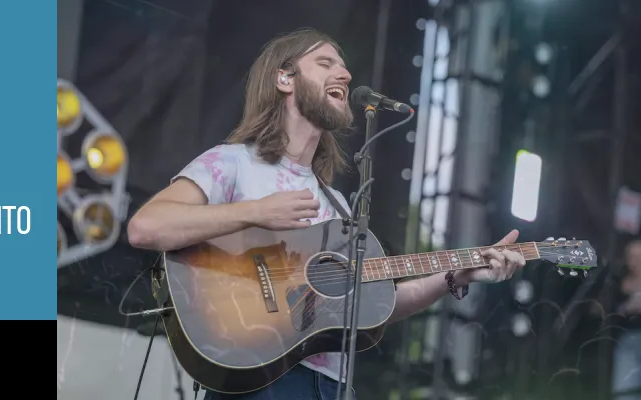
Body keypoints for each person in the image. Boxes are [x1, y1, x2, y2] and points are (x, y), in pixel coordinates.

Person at [127, 28, 527, 400]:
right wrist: (255, 212)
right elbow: (146, 228)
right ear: (285, 79)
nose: (346, 73)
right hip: (259, 376)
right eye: (326, 63)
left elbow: (377, 303)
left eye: (343, 65)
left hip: (330, 387)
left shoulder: (335, 201)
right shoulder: (233, 164)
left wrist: (456, 275)